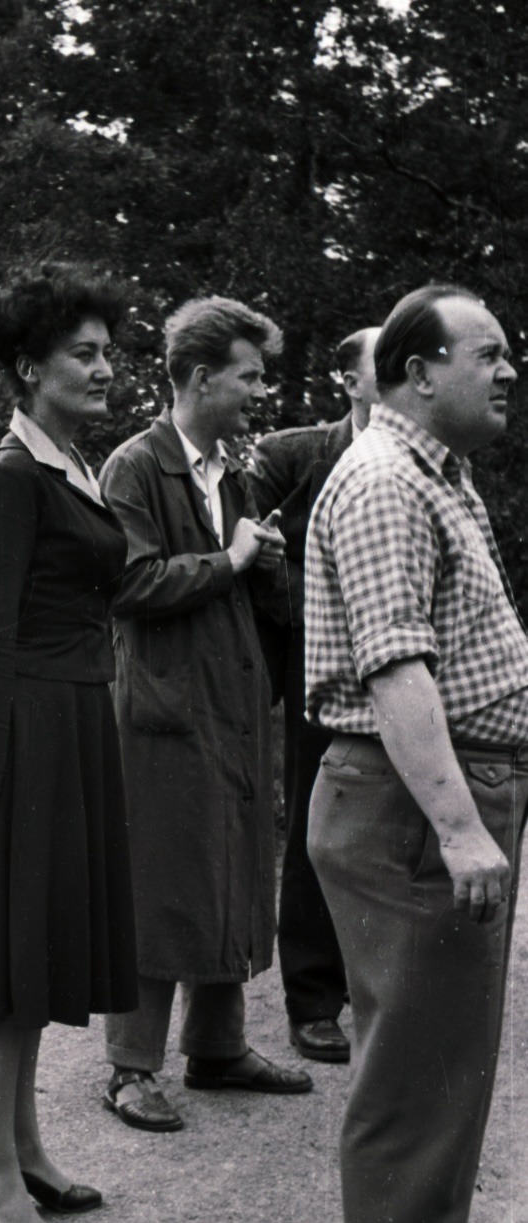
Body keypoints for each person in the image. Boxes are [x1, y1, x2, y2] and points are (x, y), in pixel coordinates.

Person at [307, 284, 526, 1223]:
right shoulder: (388, 481)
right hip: (405, 805)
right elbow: (395, 666)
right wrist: (457, 825)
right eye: (488, 355)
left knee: (448, 1060)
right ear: (415, 368)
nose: (506, 374)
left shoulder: (438, 475)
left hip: (428, 800)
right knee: (414, 1064)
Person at [0, 263, 138, 1223]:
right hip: (20, 728)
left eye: (107, 350)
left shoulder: (70, 465)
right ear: (27, 368)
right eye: (82, 354)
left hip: (74, 722)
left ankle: (29, 1152)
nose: (105, 368)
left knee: (33, 950)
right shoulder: (11, 478)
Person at [102, 296, 311, 1132]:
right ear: (198, 377)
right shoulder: (133, 467)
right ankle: (128, 1068)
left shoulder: (232, 467)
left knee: (228, 866)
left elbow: (242, 583)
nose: (258, 391)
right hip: (165, 703)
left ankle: (217, 1047)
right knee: (160, 879)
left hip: (229, 699)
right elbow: (128, 584)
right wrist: (228, 559)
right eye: (247, 375)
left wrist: (263, 564)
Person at [248, 327, 381, 1064]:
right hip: (314, 662)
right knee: (315, 818)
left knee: (391, 827)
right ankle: (312, 1000)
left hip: (401, 670)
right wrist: (331, 615)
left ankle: (381, 990)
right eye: (382, 364)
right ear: (349, 383)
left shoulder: (432, 456)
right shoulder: (290, 455)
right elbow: (252, 563)